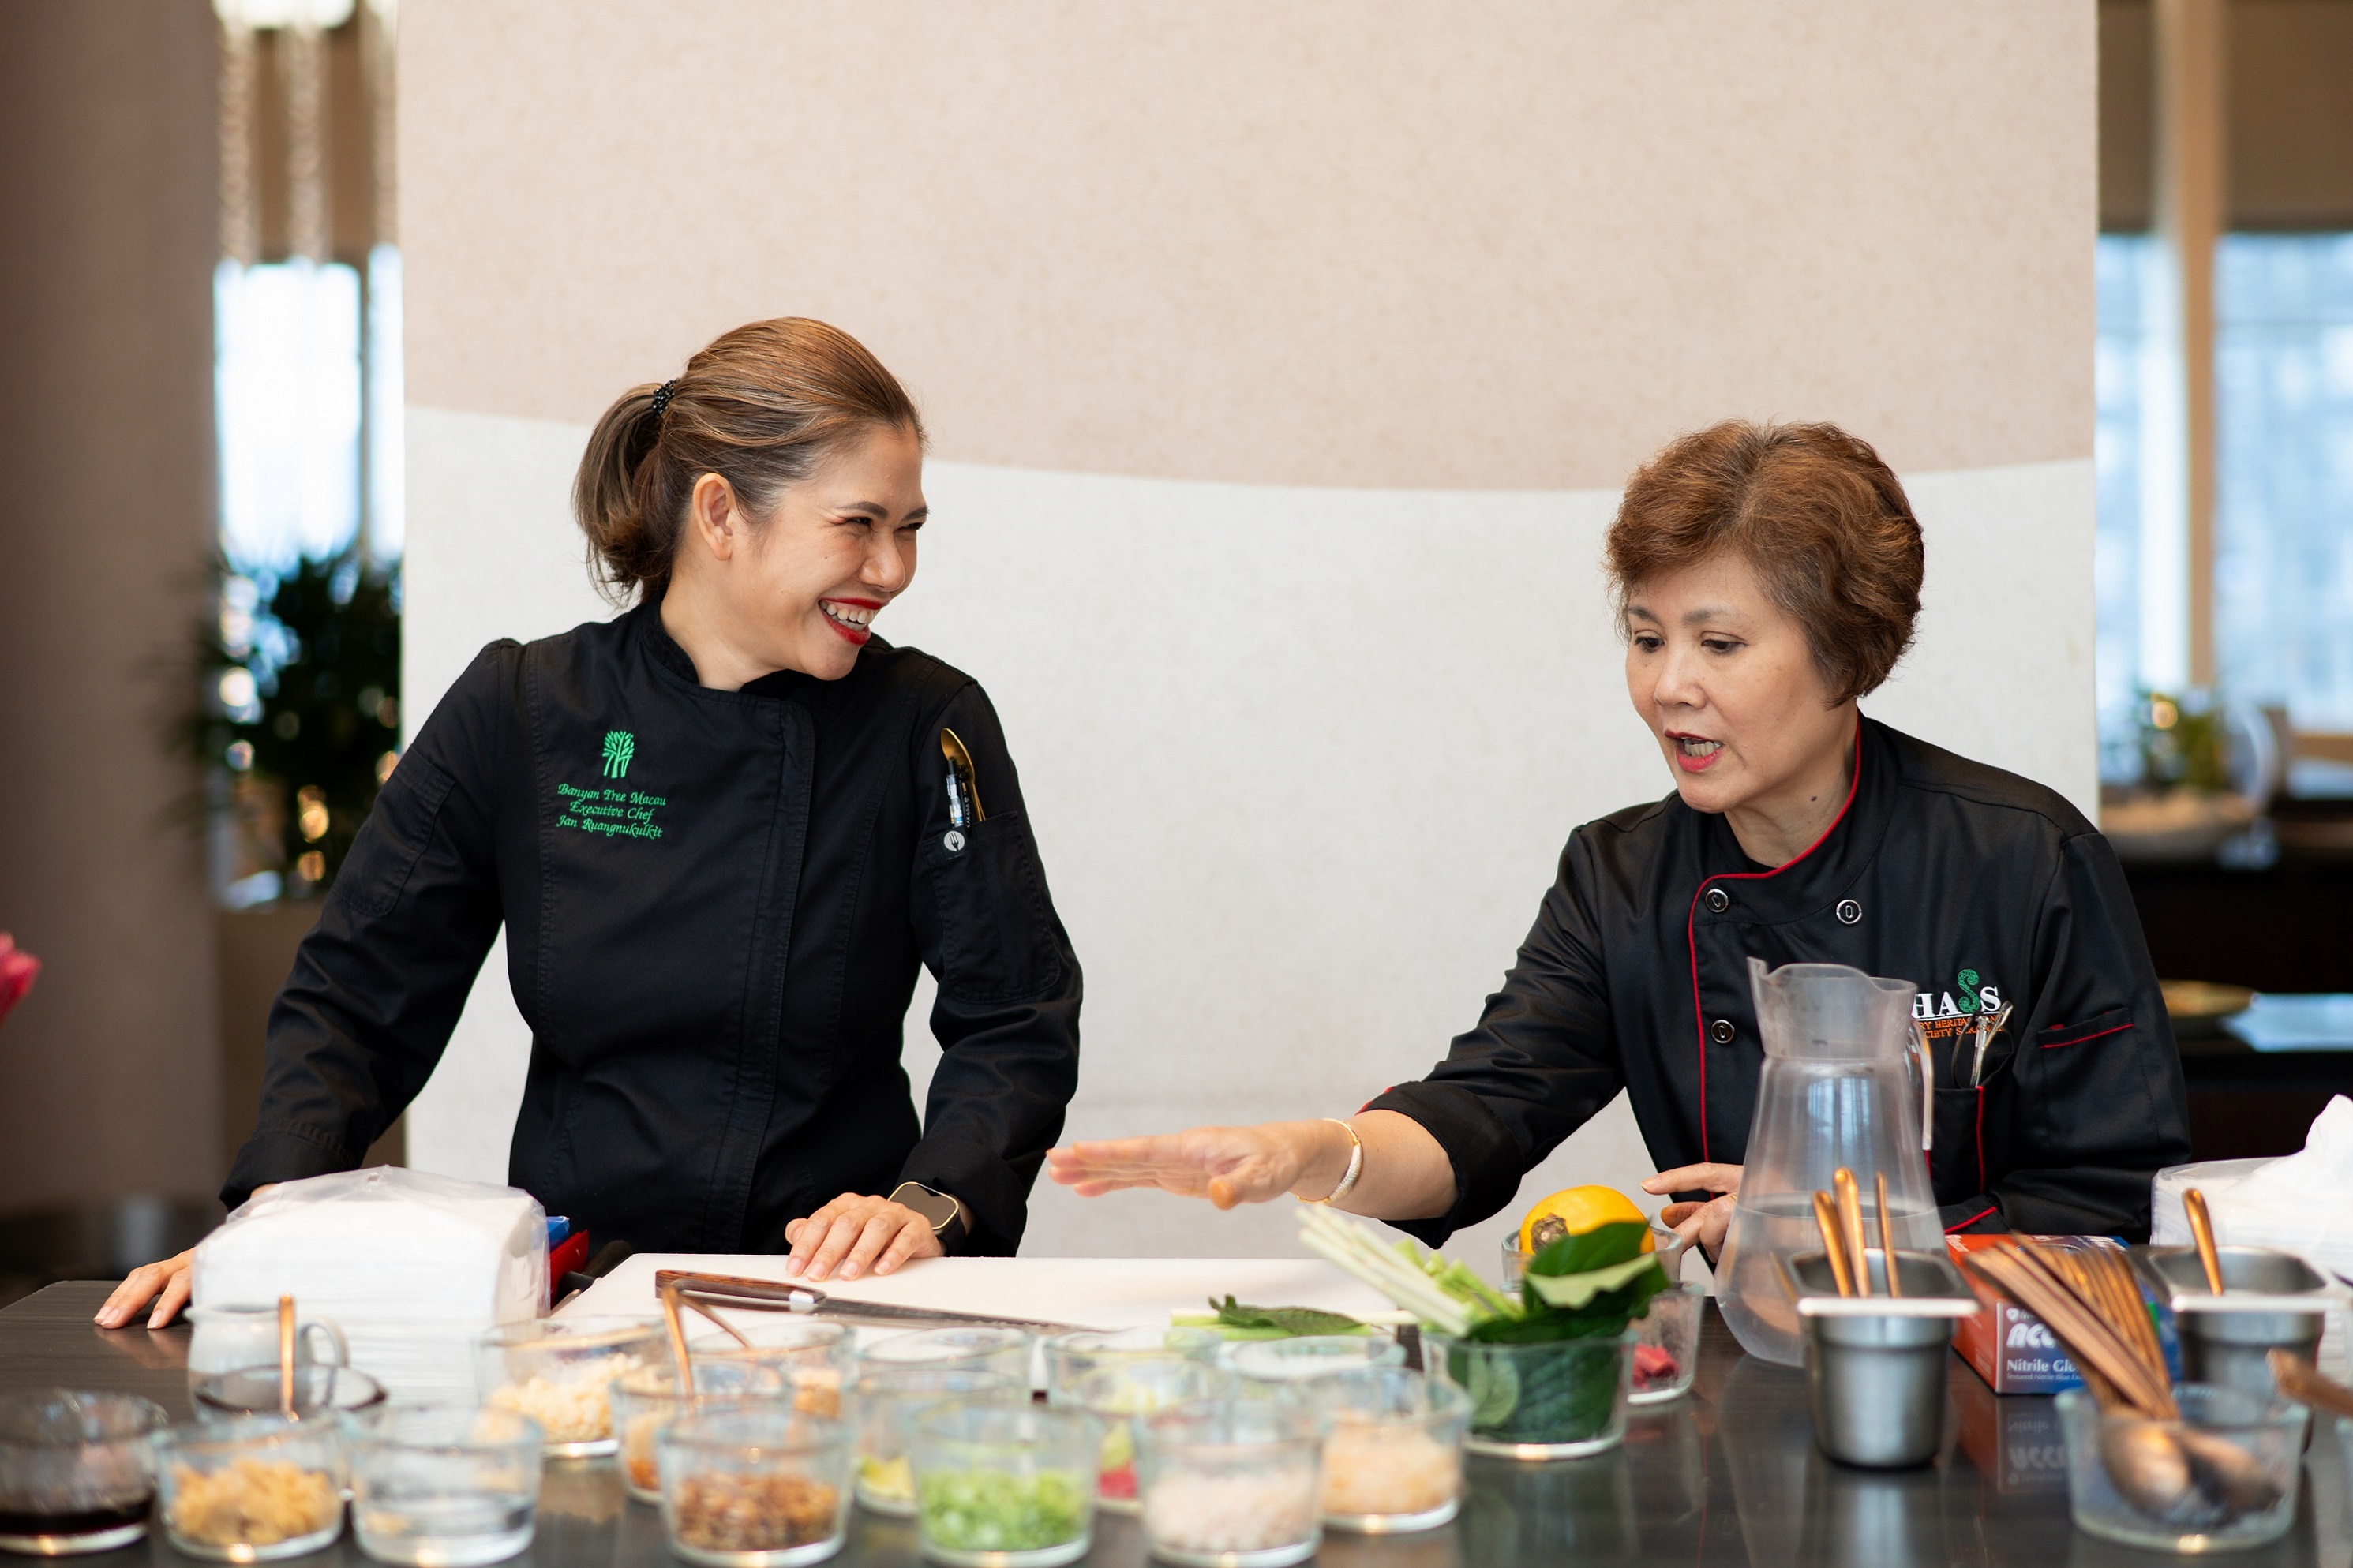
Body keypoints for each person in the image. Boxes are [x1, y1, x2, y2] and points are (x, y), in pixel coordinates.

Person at [102, 318, 1082, 1329]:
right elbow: (359, 993)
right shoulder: (527, 706)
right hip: (579, 1297)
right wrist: (272, 1222)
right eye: (858, 524)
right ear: (720, 512)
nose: (892, 569)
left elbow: (1014, 1012)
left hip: (835, 1294)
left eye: (909, 527)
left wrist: (925, 1203)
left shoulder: (925, 724)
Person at [1047, 420, 2187, 1256]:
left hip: (1994, 1386)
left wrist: (1857, 1235)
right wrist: (1317, 1152)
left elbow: (2115, 1193)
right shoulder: (1623, 874)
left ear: (1849, 654)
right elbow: (1484, 1109)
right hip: (1754, 1368)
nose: (1668, 687)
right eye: (1646, 637)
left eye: (1720, 643)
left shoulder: (2020, 856)